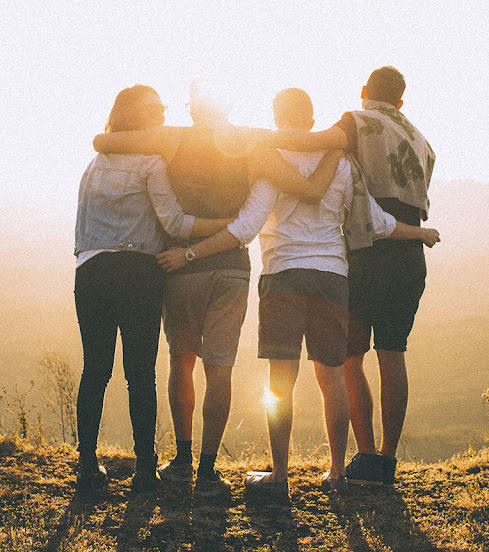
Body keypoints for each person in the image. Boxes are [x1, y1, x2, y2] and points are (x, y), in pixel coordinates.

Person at [157, 87, 439, 496]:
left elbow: (246, 228)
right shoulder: (341, 163)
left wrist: (190, 252)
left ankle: (279, 476)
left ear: (276, 117)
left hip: (283, 276)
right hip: (332, 278)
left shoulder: (271, 161)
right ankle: (338, 472)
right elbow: (376, 221)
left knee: (280, 381)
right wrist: (420, 232)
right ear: (311, 121)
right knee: (332, 378)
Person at [92, 80, 342, 497]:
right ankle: (208, 471)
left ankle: (183, 459)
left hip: (180, 265)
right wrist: (336, 145)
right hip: (231, 268)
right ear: (229, 106)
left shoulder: (171, 139)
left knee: (181, 361)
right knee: (220, 368)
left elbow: (104, 141)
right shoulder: (251, 144)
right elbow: (306, 187)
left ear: (192, 110)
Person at [249, 68, 437, 486]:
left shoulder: (356, 122)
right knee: (393, 354)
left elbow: (312, 143)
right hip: (407, 252)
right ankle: (385, 462)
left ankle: (363, 457)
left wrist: (250, 138)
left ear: (365, 92)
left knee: (348, 360)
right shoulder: (422, 141)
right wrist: (421, 233)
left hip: (366, 251)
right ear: (401, 102)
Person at [74, 85, 233, 492]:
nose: (162, 114)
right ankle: (146, 468)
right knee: (140, 373)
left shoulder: (94, 164)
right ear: (137, 117)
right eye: (155, 109)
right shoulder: (151, 162)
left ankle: (87, 466)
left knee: (95, 369)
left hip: (91, 270)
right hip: (139, 273)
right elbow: (175, 224)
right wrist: (226, 227)